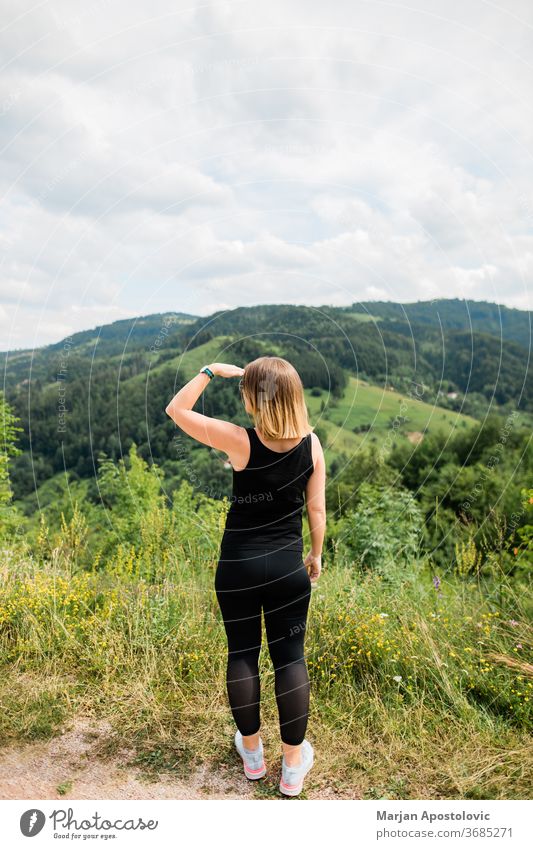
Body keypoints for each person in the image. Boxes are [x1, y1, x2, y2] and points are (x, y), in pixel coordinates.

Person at [165, 356, 326, 796]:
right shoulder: (311, 445)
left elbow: (176, 410)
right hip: (288, 570)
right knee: (291, 658)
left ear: (252, 401)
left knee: (242, 654)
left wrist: (210, 371)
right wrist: (314, 555)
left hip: (237, 568)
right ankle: (292, 767)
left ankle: (252, 755)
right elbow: (316, 510)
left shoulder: (239, 441)